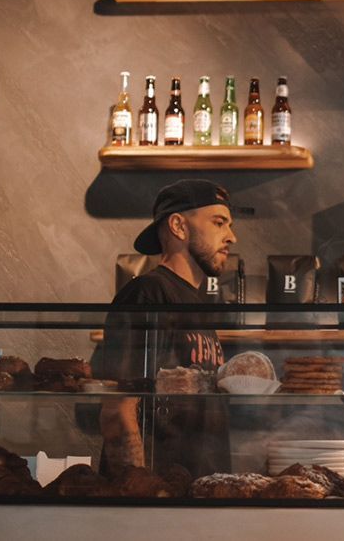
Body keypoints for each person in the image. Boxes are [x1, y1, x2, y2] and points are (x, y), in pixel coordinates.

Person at [97, 179, 237, 478]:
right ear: (179, 226)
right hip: (159, 501)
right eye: (219, 223)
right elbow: (117, 409)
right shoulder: (148, 294)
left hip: (195, 495)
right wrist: (140, 496)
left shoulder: (194, 302)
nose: (231, 237)